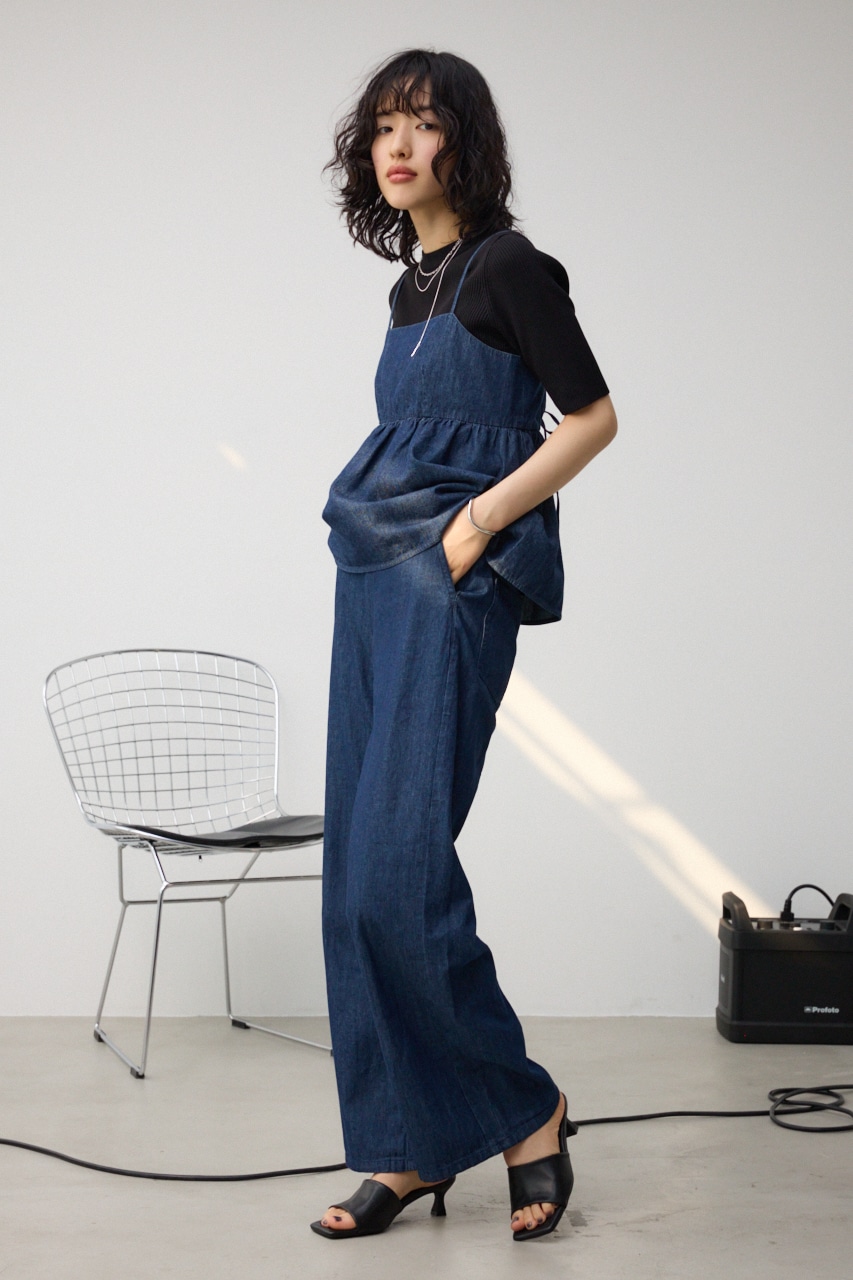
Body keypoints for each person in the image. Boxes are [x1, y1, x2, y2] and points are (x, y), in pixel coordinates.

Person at [313, 48, 616, 1243]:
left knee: (401, 871)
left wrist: (479, 523)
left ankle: (525, 1109)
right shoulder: (410, 288)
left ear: (464, 143)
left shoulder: (508, 269)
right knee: (355, 881)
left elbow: (593, 416)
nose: (399, 144)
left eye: (424, 122)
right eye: (384, 123)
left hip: (452, 580)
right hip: (372, 579)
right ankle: (404, 1142)